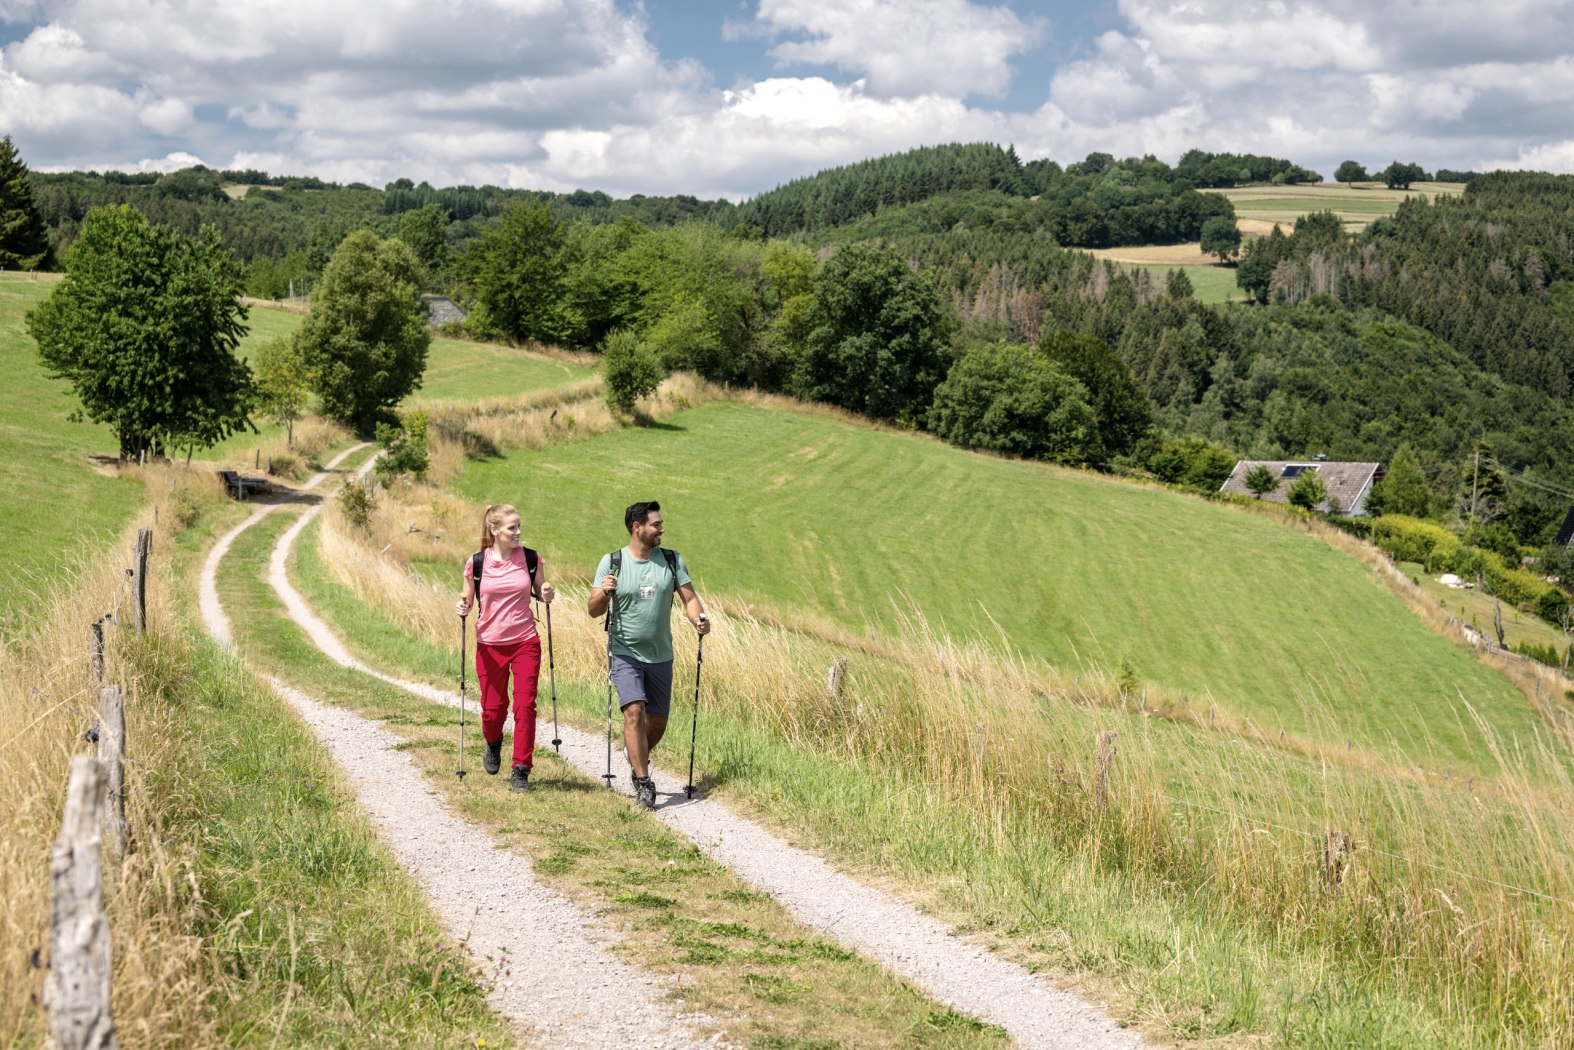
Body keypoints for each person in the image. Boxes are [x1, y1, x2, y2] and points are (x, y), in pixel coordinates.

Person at [587, 500, 709, 809]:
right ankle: (643, 781)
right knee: (634, 712)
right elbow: (592, 610)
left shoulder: (670, 560)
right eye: (656, 524)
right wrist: (604, 591)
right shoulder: (612, 562)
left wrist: (699, 619)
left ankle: (635, 753)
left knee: (657, 723)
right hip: (623, 651)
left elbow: (689, 598)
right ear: (636, 527)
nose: (662, 529)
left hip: (660, 654)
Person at [455, 504, 555, 792]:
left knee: (525, 705)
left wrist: (547, 591)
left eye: (519, 526)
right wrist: (462, 605)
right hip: (489, 644)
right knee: (492, 710)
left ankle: (521, 769)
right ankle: (493, 740)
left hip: (525, 641)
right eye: (512, 527)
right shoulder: (476, 563)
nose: (518, 532)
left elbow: (542, 589)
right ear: (495, 530)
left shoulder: (531, 558)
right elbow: (467, 597)